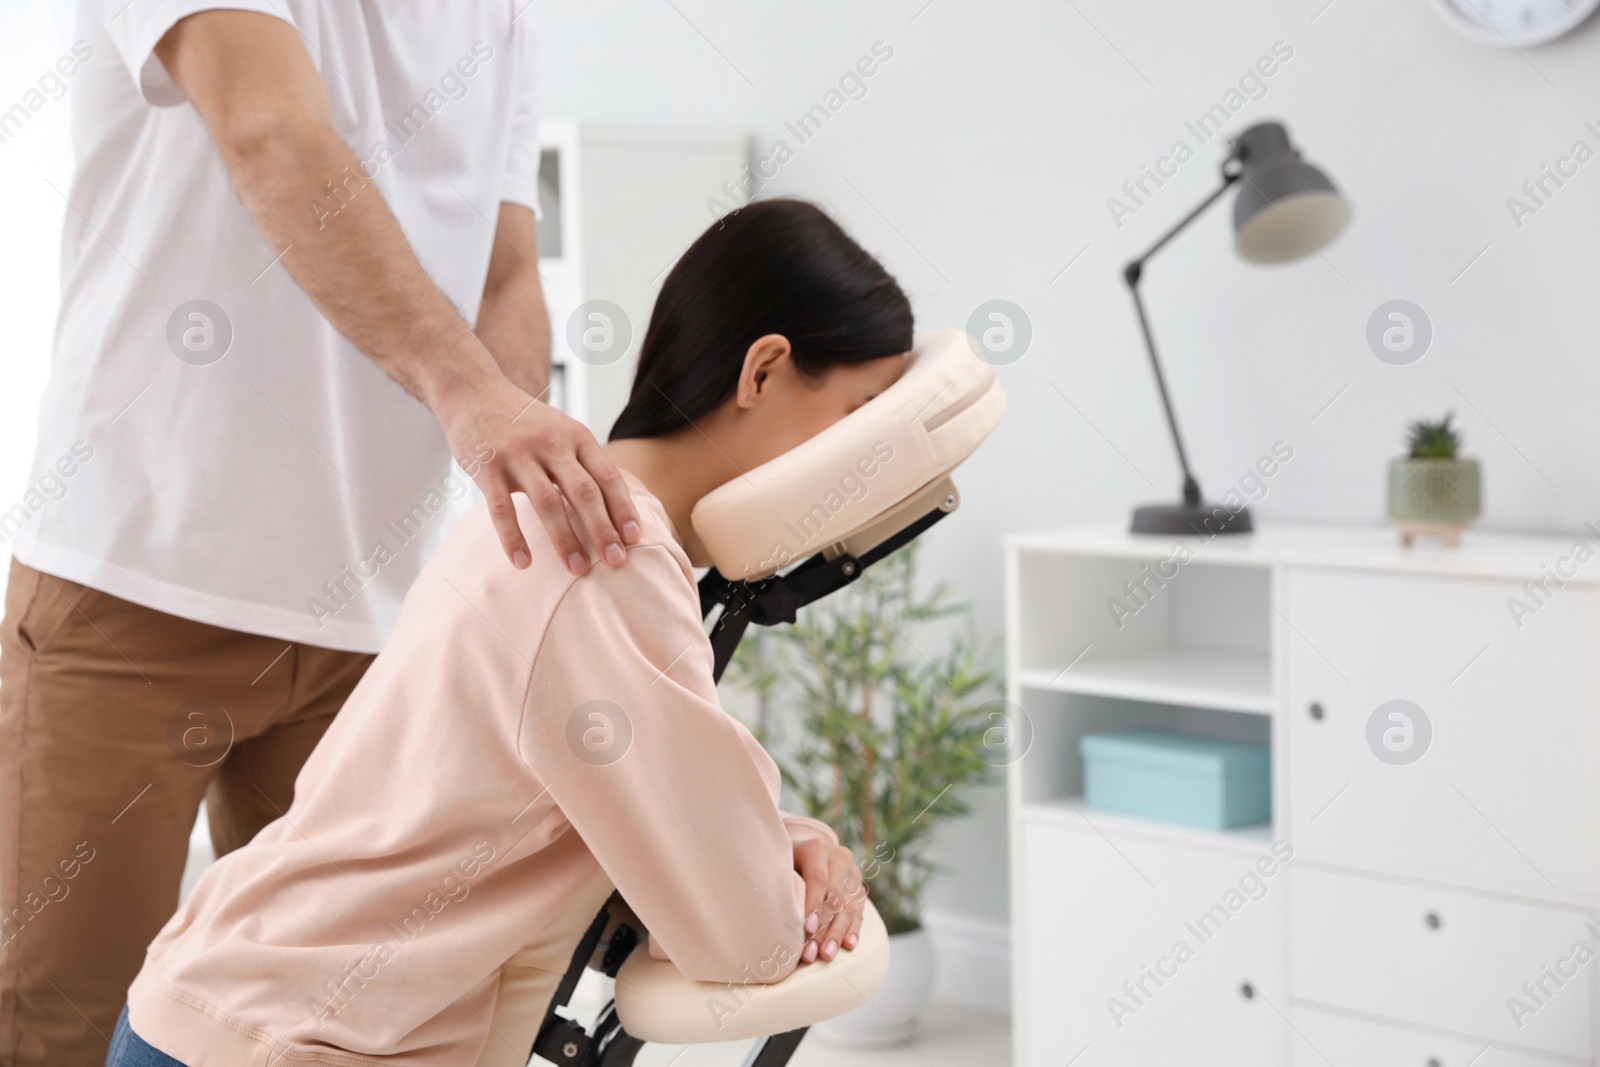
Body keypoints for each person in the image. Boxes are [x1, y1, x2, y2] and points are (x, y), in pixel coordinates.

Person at [103, 199, 904, 1067]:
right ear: (764, 370)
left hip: (230, 1008)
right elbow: (745, 934)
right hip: (287, 1040)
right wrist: (802, 861)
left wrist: (789, 839)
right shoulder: (609, 555)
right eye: (859, 413)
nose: (858, 459)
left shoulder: (554, 507)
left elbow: (644, 802)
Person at [1, 5, 641, 1064]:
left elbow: (504, 274)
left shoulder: (502, 18)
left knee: (328, 1030)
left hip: (367, 619)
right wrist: (468, 396)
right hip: (137, 584)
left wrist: (517, 485)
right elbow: (269, 130)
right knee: (55, 1026)